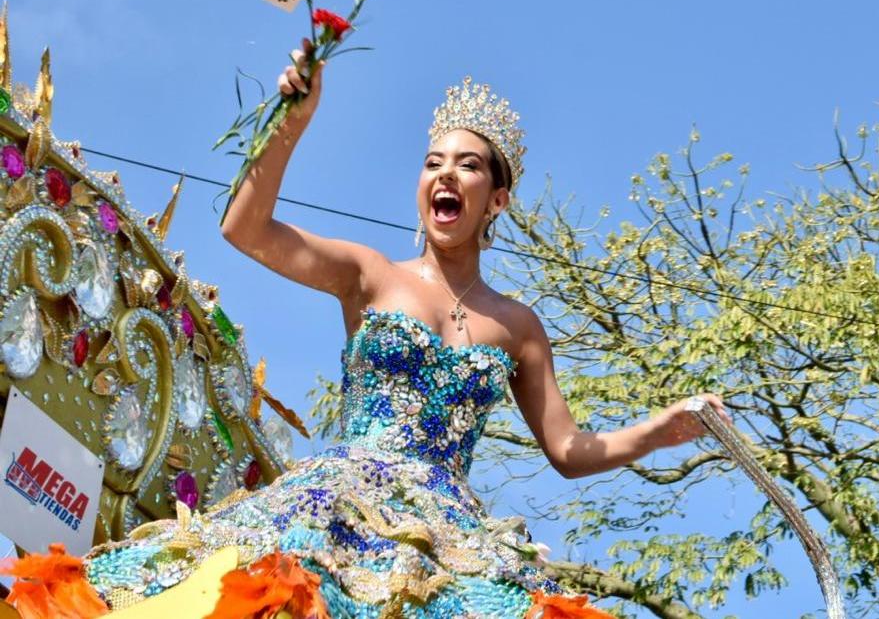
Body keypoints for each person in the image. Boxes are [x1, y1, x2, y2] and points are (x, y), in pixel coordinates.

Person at [76, 39, 729, 618]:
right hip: (340, 507)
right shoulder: (371, 274)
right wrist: (290, 123)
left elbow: (566, 449)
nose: (445, 173)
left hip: (446, 540)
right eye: (433, 162)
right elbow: (244, 230)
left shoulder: (518, 327)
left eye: (468, 165)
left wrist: (657, 431)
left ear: (495, 199)